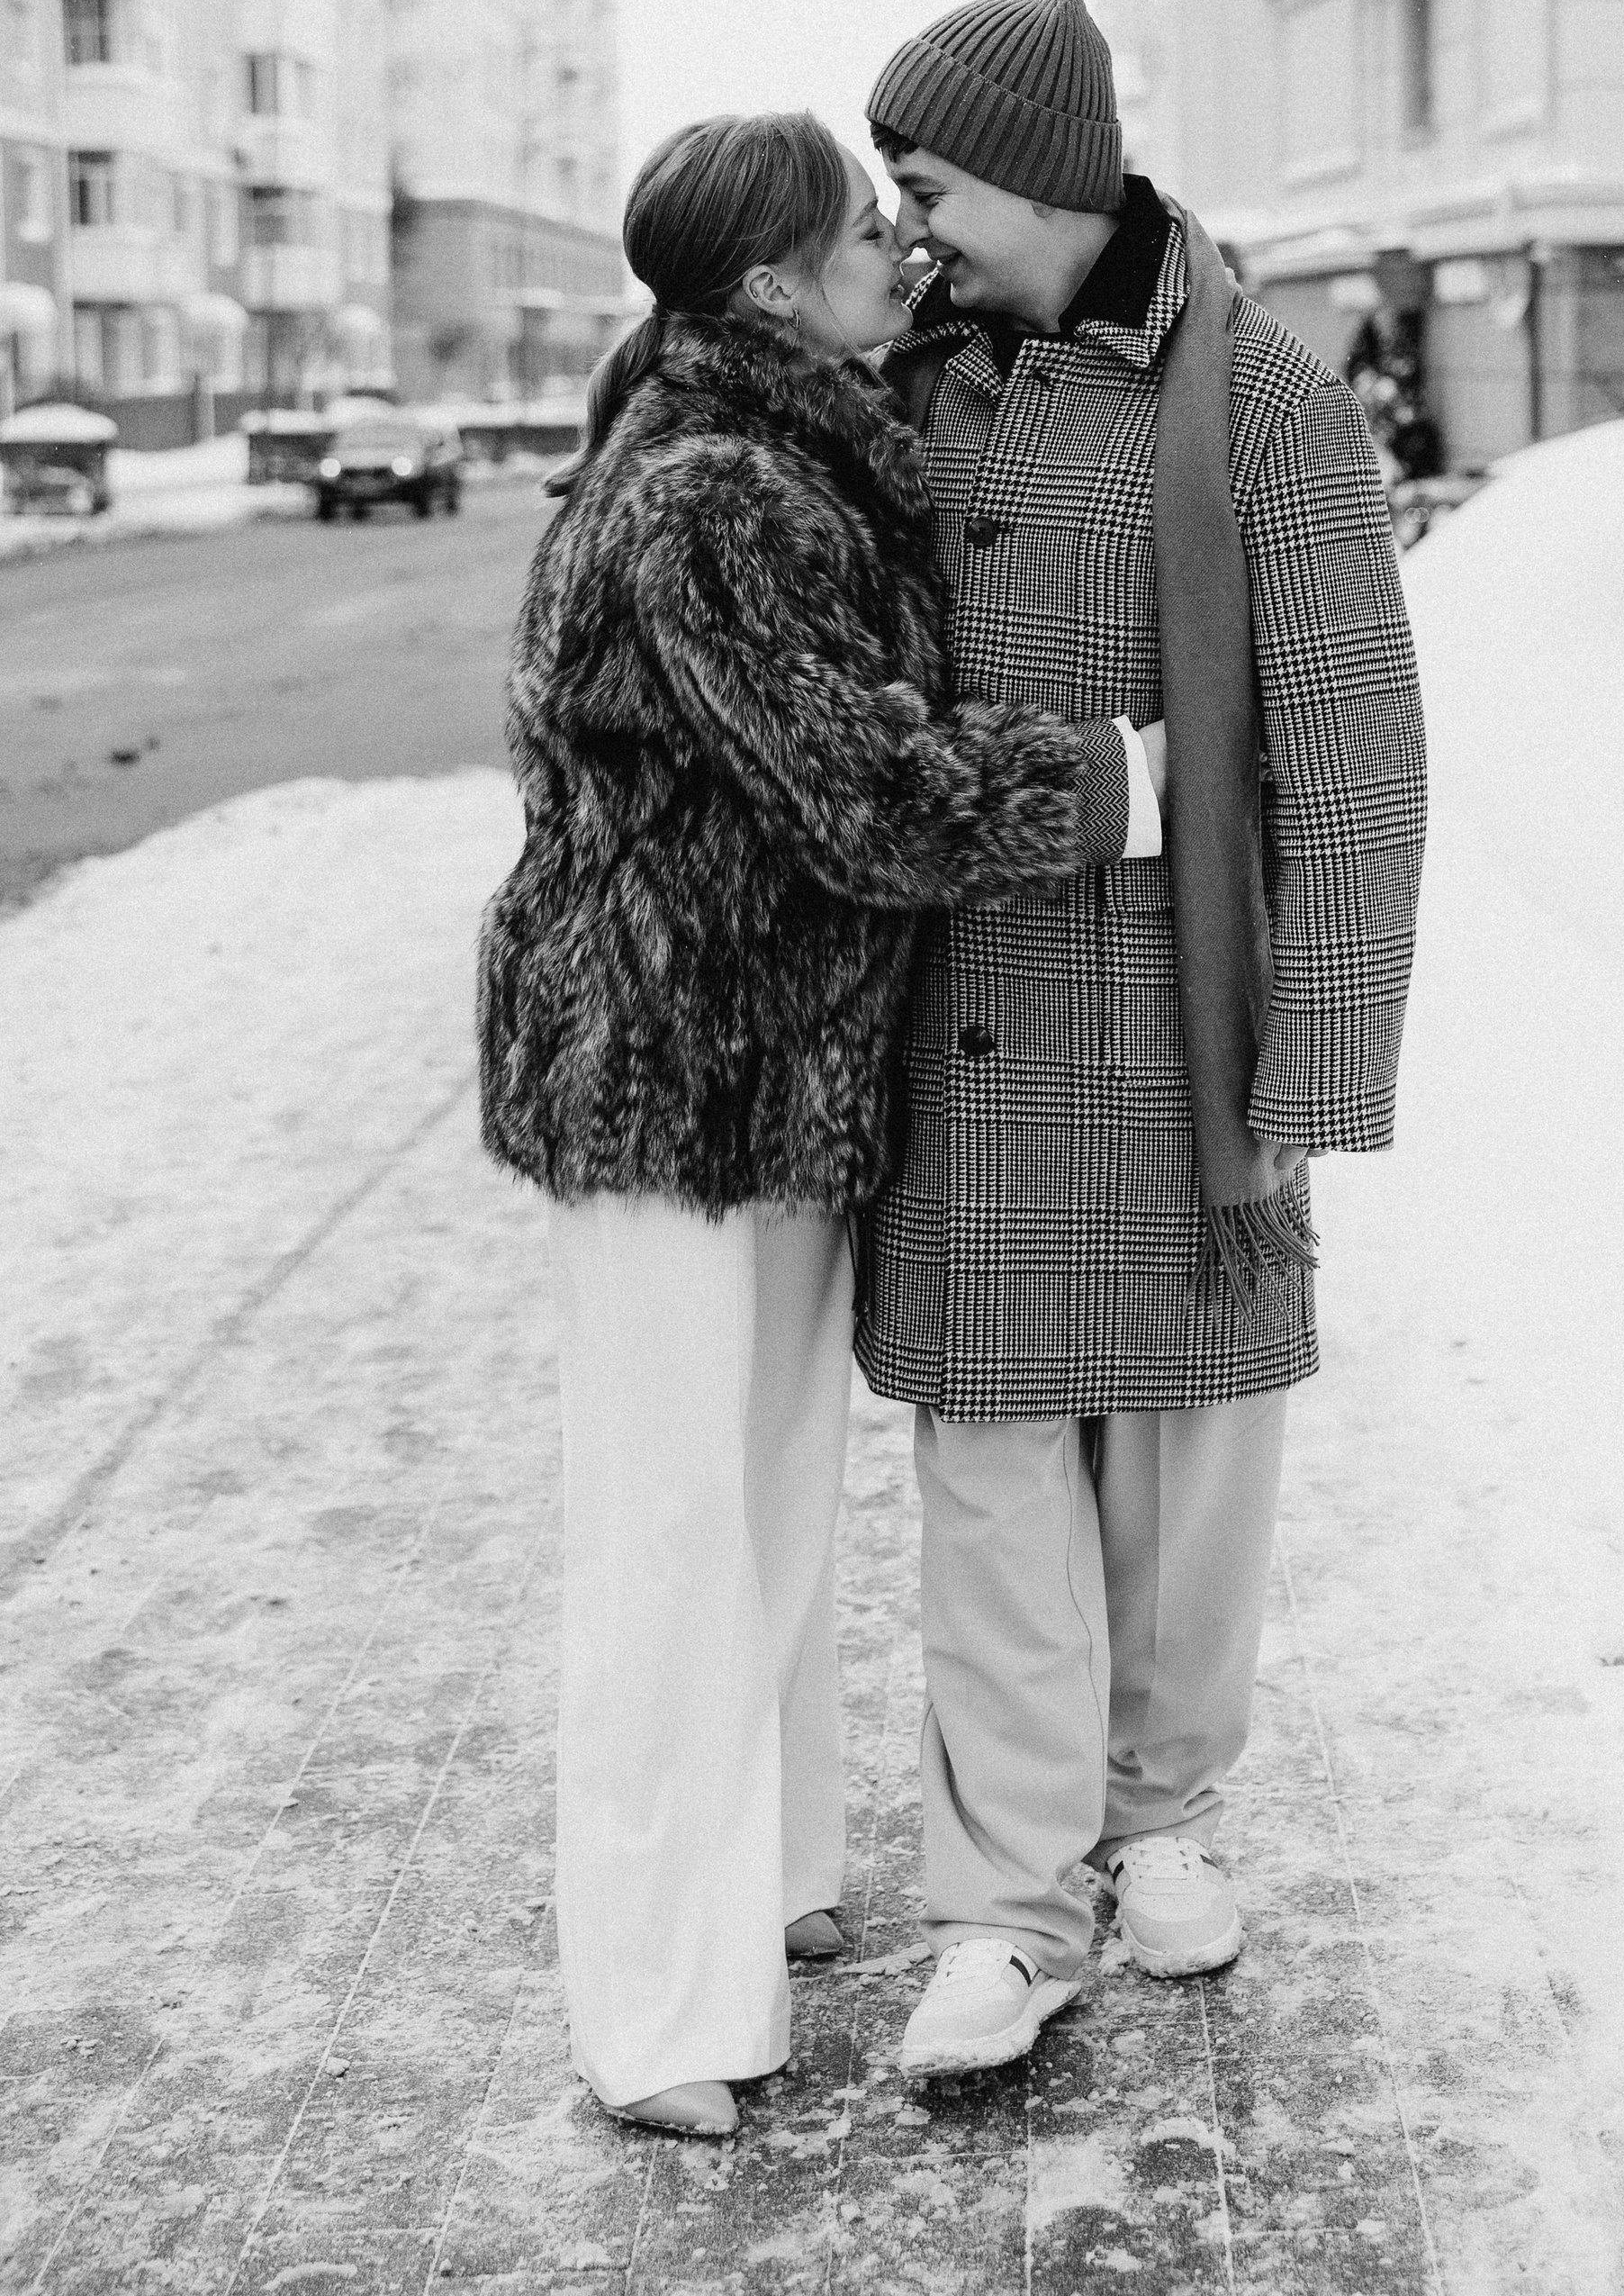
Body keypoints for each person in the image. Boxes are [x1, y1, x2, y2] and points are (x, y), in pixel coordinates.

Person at [476, 110, 1165, 2143]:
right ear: (775, 285)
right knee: (672, 1539)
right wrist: (1114, 784)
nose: (898, 249)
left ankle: (761, 1889)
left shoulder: (782, 450)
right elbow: (857, 787)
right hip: (666, 1076)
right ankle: (653, 2011)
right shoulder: (710, 489)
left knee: (765, 1499)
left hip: (762, 1075)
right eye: (865, 230)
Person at [859, 0, 1427, 2082]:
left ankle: (1161, 1814)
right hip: (961, 1011)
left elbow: (1353, 742)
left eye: (926, 181)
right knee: (992, 1465)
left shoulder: (1258, 394)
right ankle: (1003, 1908)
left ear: (1031, 174)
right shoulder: (897, 391)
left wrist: (1321, 1050)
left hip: (1182, 1009)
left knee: (1189, 1462)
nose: (903, 222)